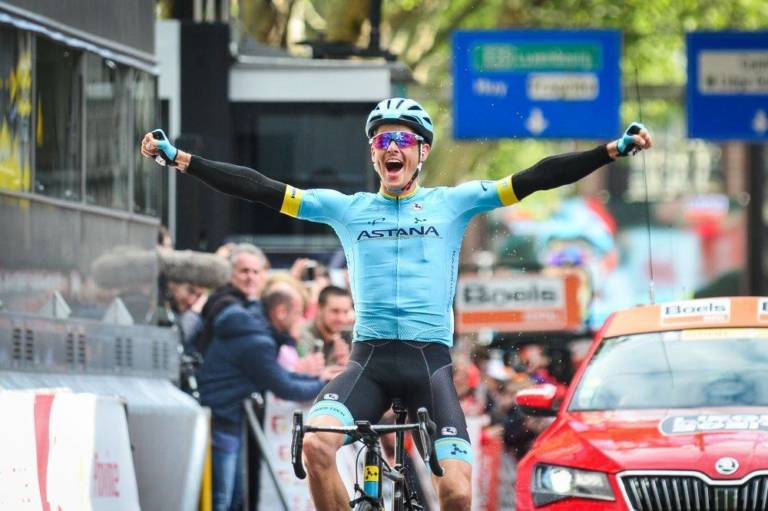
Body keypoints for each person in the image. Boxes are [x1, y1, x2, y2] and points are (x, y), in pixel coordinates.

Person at [141, 97, 652, 510]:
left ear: (421, 152)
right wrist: (182, 160)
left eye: (402, 140)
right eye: (381, 140)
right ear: (373, 154)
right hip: (369, 361)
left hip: (430, 365)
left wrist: (610, 151)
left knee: (454, 493)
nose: (391, 148)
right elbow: (260, 188)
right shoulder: (347, 210)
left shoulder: (455, 202)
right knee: (318, 445)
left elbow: (538, 175)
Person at [196, 269, 341, 511]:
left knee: (233, 497)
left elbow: (280, 376)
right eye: (297, 314)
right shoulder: (257, 341)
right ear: (281, 312)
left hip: (228, 418)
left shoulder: (254, 330)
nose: (301, 321)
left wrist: (319, 380)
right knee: (223, 499)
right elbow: (284, 386)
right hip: (223, 420)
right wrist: (326, 385)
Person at [297, 285, 353, 367]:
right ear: (319, 309)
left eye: (345, 312)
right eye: (335, 311)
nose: (341, 319)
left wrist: (348, 364)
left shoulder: (349, 335)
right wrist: (337, 363)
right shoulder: (302, 334)